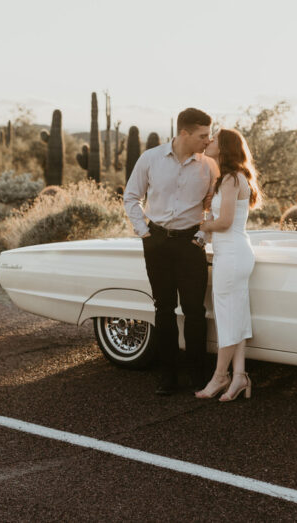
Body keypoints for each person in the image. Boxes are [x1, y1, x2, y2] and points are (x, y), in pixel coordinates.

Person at [124, 108, 217, 395]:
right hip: (158, 242)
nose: (207, 140)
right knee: (163, 309)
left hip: (191, 243)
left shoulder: (209, 166)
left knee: (194, 311)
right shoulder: (150, 158)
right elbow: (131, 196)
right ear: (184, 133)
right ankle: (168, 377)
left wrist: (202, 235)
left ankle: (198, 376)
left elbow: (213, 206)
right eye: (202, 135)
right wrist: (145, 233)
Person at [194, 128, 261, 402]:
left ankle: (220, 377)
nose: (209, 142)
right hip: (234, 253)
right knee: (236, 315)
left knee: (226, 317)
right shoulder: (231, 177)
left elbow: (224, 223)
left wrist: (201, 224)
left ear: (225, 148)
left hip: (232, 255)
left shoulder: (232, 179)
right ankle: (240, 376)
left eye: (214, 140)